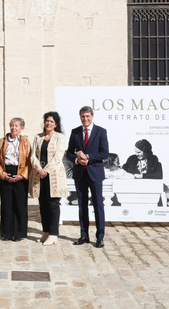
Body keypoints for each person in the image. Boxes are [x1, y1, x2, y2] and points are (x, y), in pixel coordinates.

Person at [67, 106, 109, 248]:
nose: (85, 119)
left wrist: (88, 157)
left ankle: (100, 237)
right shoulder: (75, 132)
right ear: (80, 117)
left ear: (92, 116)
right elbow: (69, 153)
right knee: (82, 206)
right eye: (82, 116)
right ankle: (84, 235)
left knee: (98, 205)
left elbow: (104, 153)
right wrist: (77, 159)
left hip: (95, 174)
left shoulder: (101, 132)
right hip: (80, 174)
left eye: (87, 116)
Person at [30, 111, 68, 246]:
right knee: (43, 204)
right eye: (47, 121)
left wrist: (46, 170)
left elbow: (58, 156)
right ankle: (45, 231)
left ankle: (53, 233)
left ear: (56, 124)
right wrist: (39, 169)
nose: (49, 123)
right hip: (40, 176)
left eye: (51, 121)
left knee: (53, 205)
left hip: (54, 176)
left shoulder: (60, 137)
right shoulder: (38, 137)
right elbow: (32, 155)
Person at [0, 117, 31, 241]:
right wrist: (3, 174)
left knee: (20, 205)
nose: (14, 128)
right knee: (6, 204)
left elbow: (29, 161)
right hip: (6, 172)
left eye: (16, 126)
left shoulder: (25, 142)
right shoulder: (2, 141)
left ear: (21, 128)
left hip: (20, 173)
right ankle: (6, 233)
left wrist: (23, 175)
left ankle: (19, 233)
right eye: (12, 125)